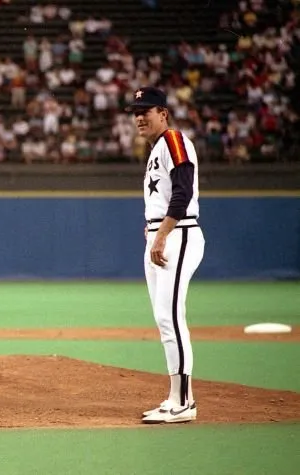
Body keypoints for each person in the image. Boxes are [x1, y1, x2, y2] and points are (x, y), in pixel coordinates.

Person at [125, 87, 205, 424]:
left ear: (164, 113)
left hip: (179, 235)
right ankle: (174, 397)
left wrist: (162, 234)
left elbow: (183, 191)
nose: (139, 116)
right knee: (163, 318)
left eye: (147, 110)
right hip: (164, 235)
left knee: (172, 317)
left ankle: (184, 402)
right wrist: (153, 229)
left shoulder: (173, 140)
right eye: (136, 111)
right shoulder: (158, 147)